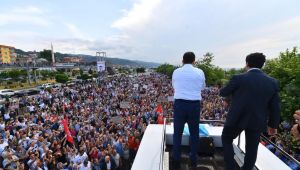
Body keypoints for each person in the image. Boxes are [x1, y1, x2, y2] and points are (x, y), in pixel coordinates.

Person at [220, 52, 280, 170]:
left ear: (247, 63)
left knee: (226, 139)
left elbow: (223, 92)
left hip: (236, 118)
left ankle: (231, 167)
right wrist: (273, 125)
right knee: (252, 148)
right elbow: (275, 107)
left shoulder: (239, 78)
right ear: (262, 65)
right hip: (257, 120)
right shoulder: (272, 82)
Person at [171, 52, 206, 168]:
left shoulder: (176, 72)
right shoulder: (200, 72)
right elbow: (203, 87)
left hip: (180, 104)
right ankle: (193, 159)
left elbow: (174, 86)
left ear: (182, 60)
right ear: (194, 61)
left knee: (177, 133)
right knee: (194, 133)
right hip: (194, 105)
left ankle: (176, 158)